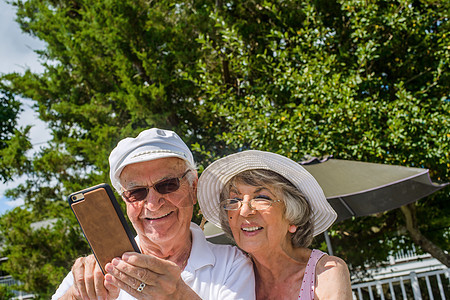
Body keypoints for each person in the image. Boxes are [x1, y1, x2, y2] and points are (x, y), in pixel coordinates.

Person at [52, 128, 255, 299]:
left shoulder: (232, 265)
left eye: (167, 185)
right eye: (136, 192)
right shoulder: (97, 273)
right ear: (124, 200)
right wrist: (76, 294)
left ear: (193, 188)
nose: (152, 203)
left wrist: (179, 295)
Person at [198, 150, 352, 300]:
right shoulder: (227, 275)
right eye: (235, 200)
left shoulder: (325, 272)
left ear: (292, 217)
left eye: (261, 197)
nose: (244, 211)